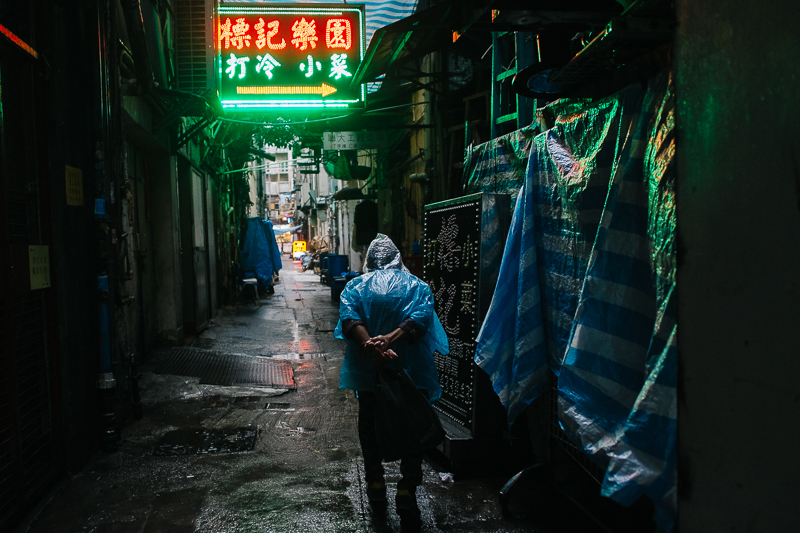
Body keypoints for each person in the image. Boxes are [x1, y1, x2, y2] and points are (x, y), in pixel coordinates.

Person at [334, 234, 448, 530]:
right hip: (412, 371)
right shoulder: (417, 286)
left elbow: (349, 320)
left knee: (369, 423)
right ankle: (407, 489)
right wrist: (390, 340)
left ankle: (375, 483)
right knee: (414, 426)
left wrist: (373, 347)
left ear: (369, 261)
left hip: (370, 373)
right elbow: (420, 319)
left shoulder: (355, 286)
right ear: (398, 259)